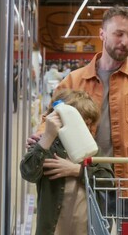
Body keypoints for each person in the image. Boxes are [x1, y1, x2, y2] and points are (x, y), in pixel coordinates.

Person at [30, 5, 128, 197]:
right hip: (85, 180)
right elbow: (50, 119)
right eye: (118, 34)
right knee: (88, 228)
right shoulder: (74, 81)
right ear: (102, 34)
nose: (125, 41)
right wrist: (40, 136)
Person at [20, 90, 114, 235]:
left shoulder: (92, 149)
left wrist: (77, 170)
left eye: (89, 125)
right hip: (52, 229)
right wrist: (47, 136)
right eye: (82, 124)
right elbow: (28, 173)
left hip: (87, 229)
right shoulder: (48, 146)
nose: (87, 130)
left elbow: (108, 181)